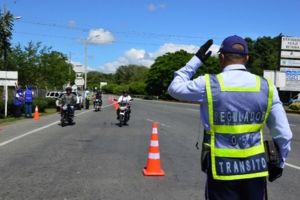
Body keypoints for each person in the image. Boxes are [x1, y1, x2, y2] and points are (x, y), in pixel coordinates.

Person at [168, 35, 293, 200]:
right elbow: (284, 134)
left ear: (221, 57)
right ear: (247, 58)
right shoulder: (267, 87)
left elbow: (174, 88)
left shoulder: (208, 84)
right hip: (255, 170)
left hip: (221, 170)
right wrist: (279, 163)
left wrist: (196, 60)